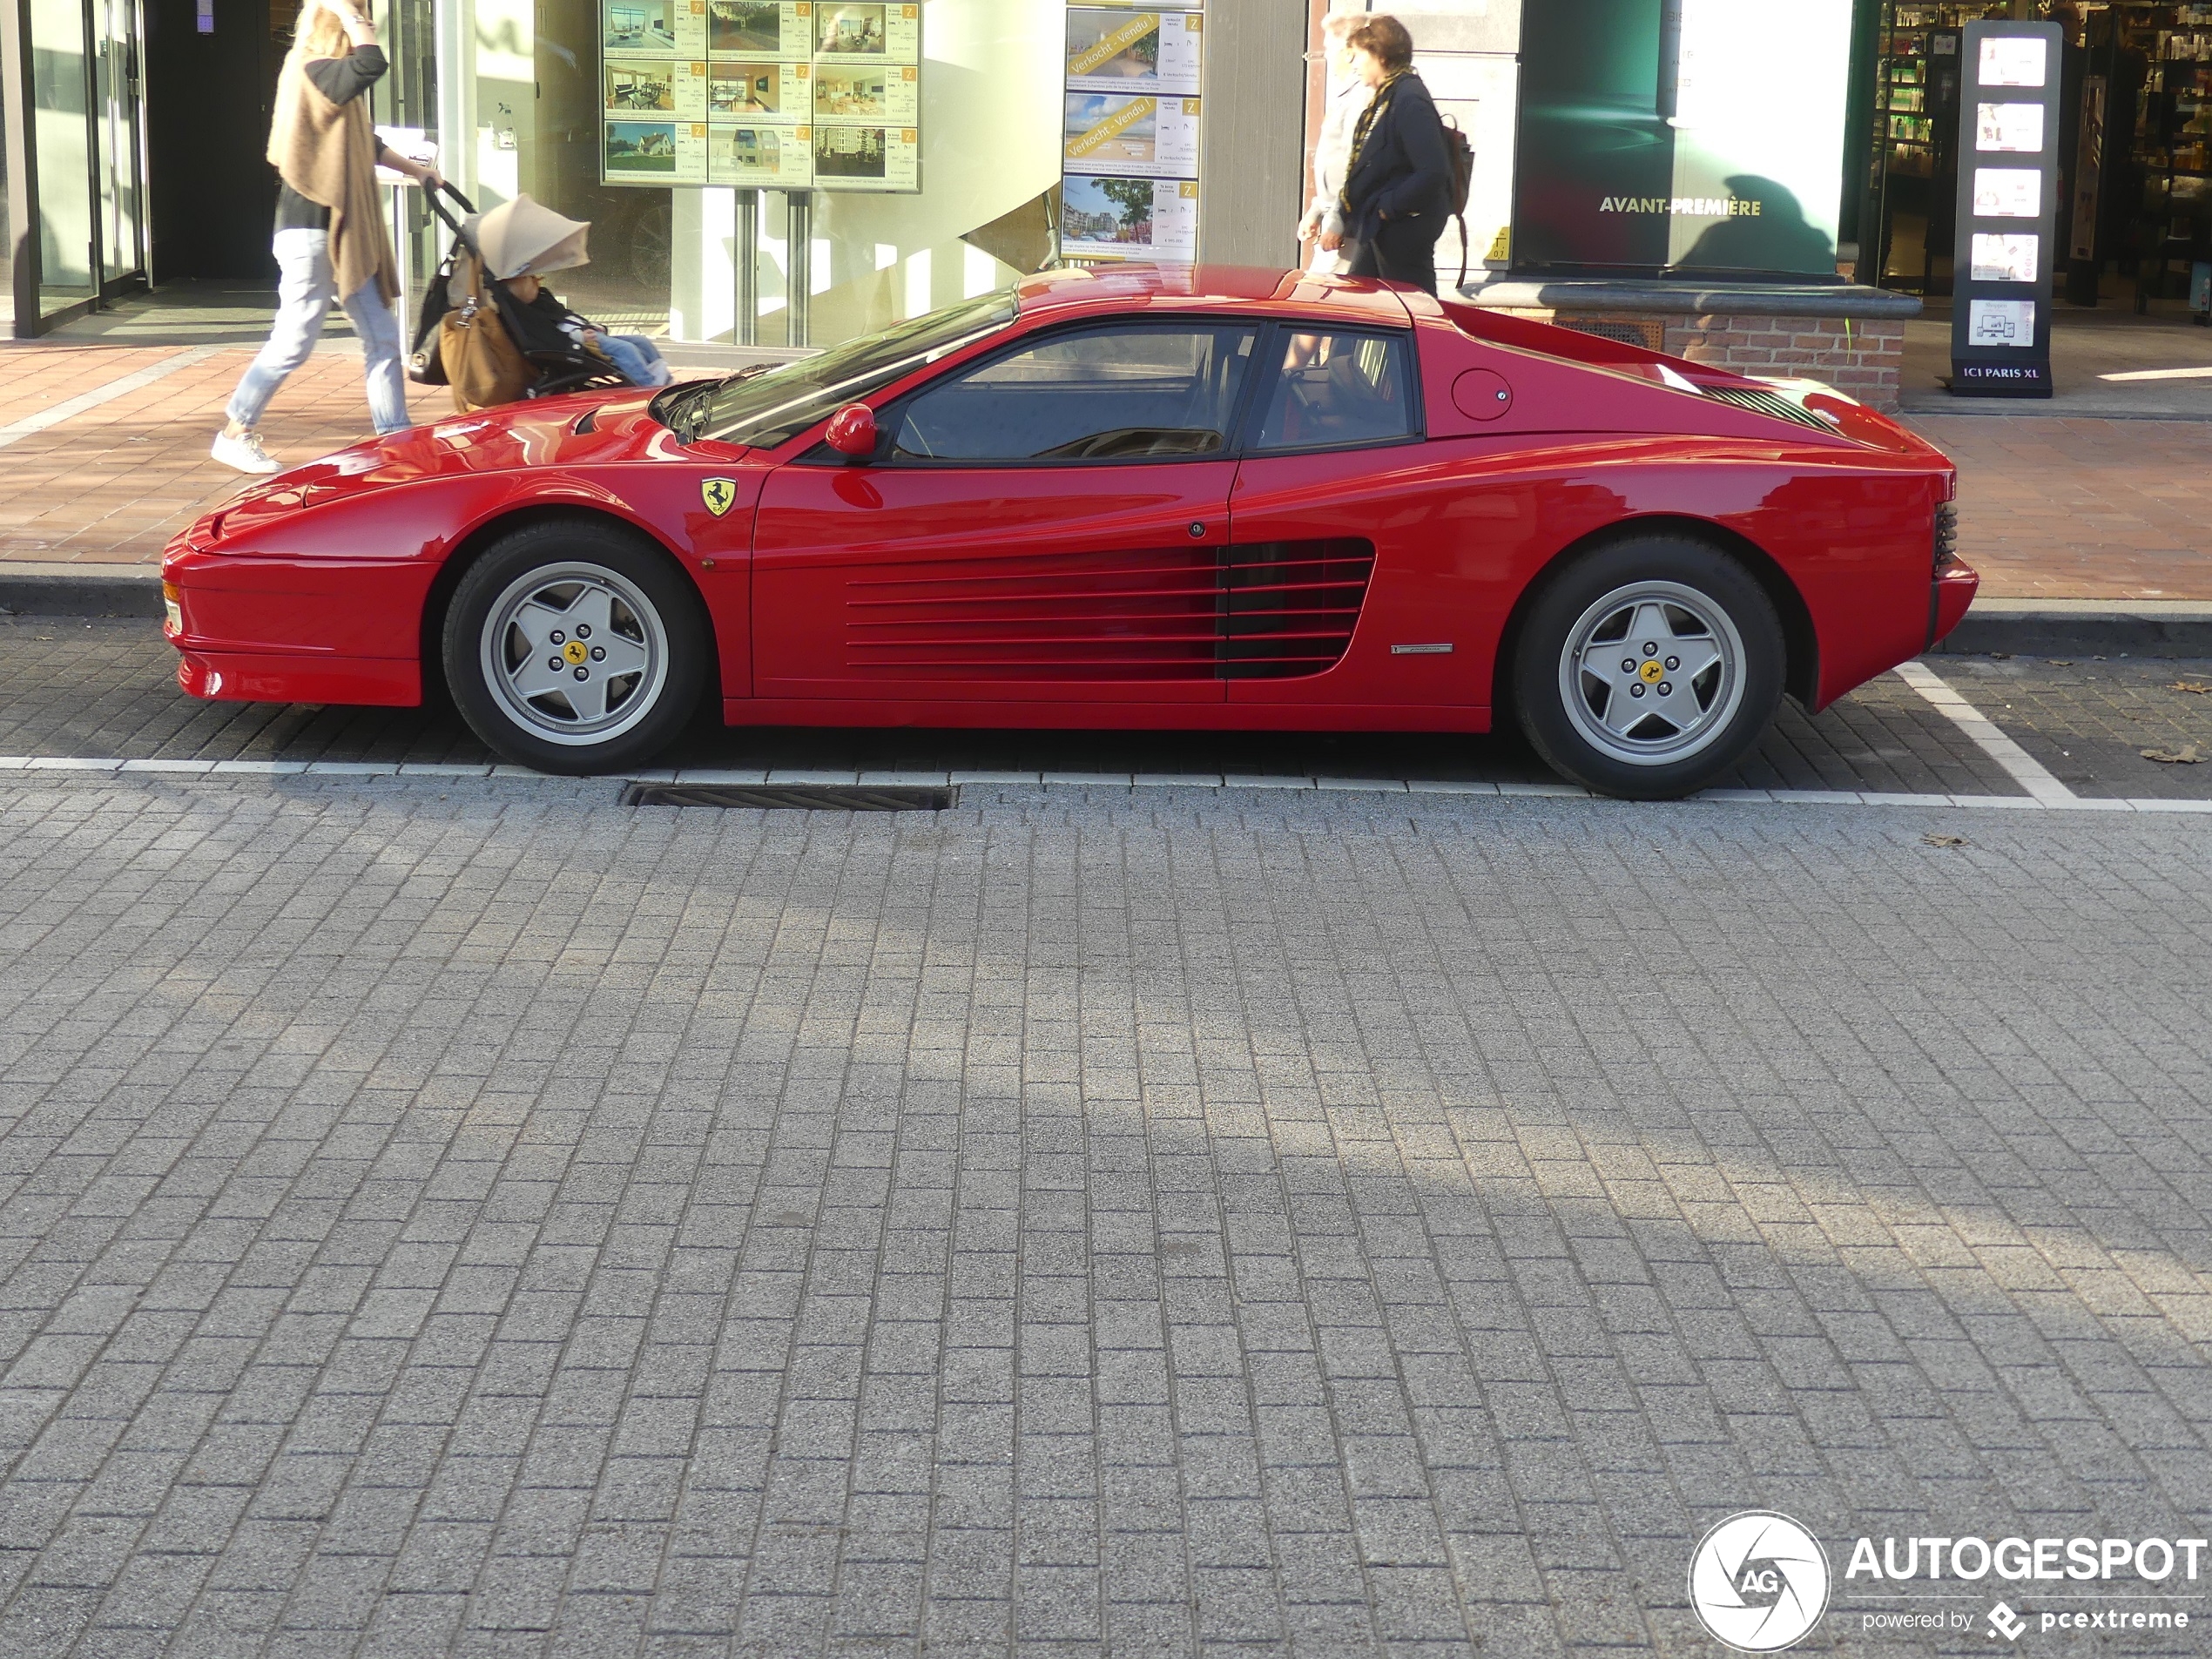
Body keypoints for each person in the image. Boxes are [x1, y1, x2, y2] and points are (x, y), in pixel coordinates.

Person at [212, 0, 440, 475]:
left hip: (343, 235)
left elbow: (367, 142)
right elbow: (372, 63)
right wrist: (351, 16)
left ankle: (395, 438)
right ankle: (236, 431)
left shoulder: (330, 82)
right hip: (311, 234)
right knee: (294, 341)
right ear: (335, 25)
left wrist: (417, 172)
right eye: (360, 16)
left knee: (380, 336)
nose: (370, 22)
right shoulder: (310, 69)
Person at [1326, 15, 1452, 295]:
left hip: (1403, 231)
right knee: (1359, 309)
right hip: (1382, 229)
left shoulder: (1409, 99)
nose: (1353, 64)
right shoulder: (1388, 97)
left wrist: (1388, 207)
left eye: (1357, 55)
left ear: (1379, 55)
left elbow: (1433, 171)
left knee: (1415, 315)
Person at [1297, 11, 1366, 276]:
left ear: (1349, 51)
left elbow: (1356, 166)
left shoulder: (1361, 95)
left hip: (1346, 230)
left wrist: (1336, 223)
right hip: (1337, 222)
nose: (1325, 54)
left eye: (1329, 47)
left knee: (1319, 304)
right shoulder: (1346, 92)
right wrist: (1316, 210)